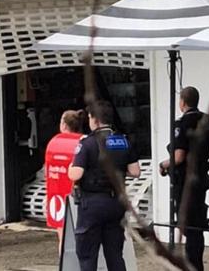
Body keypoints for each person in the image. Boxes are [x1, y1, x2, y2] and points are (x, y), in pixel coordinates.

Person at [159, 86, 209, 271]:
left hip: (184, 181)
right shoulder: (207, 120)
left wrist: (163, 165)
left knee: (188, 227)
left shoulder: (181, 124)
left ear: (182, 102)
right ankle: (196, 264)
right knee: (198, 226)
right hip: (201, 179)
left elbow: (179, 157)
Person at [68, 100, 140, 271]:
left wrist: (71, 166)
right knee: (115, 254)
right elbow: (135, 171)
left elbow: (76, 174)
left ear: (95, 120)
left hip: (92, 205)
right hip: (116, 204)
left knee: (87, 256)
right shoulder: (123, 141)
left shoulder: (88, 143)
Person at [45, 110, 86, 253]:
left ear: (63, 124)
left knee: (62, 237)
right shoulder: (84, 141)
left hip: (57, 196)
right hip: (81, 195)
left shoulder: (54, 143)